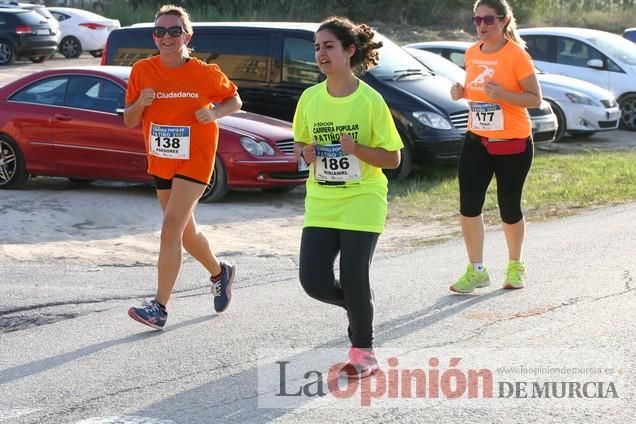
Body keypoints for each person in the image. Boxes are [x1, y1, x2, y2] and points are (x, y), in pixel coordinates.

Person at [292, 17, 403, 377]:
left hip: (362, 198)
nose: (321, 53)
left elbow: (393, 158)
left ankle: (363, 353)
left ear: (349, 50)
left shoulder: (370, 101)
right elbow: (299, 143)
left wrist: (357, 149)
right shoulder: (310, 98)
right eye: (317, 47)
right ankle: (359, 306)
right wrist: (304, 153)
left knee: (354, 276)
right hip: (322, 201)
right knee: (314, 281)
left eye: (328, 46)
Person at [124, 5, 242, 329]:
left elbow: (235, 100)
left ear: (186, 36)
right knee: (186, 232)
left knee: (170, 227)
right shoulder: (142, 71)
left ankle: (159, 307)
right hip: (161, 159)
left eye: (174, 31)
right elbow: (129, 119)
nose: (166, 37)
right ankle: (220, 272)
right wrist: (141, 103)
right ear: (154, 37)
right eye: (160, 31)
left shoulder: (205, 73)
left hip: (196, 157)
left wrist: (214, 114)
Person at [449, 0, 541, 294]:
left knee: (509, 207)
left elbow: (534, 99)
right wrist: (461, 92)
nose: (482, 26)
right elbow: (477, 91)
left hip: (512, 141)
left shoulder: (517, 55)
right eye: (476, 20)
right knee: (468, 206)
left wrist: (503, 94)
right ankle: (477, 270)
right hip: (477, 139)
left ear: (503, 21)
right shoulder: (472, 53)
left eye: (488, 19)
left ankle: (515, 266)